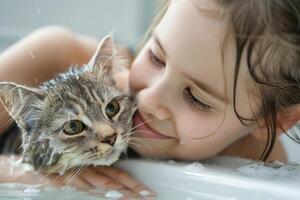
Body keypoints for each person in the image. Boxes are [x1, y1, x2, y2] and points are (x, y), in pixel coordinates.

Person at [0, 0, 299, 196]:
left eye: (196, 98)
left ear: (271, 120)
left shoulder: (258, 164)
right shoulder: (53, 53)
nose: (150, 98)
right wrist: (29, 175)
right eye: (156, 57)